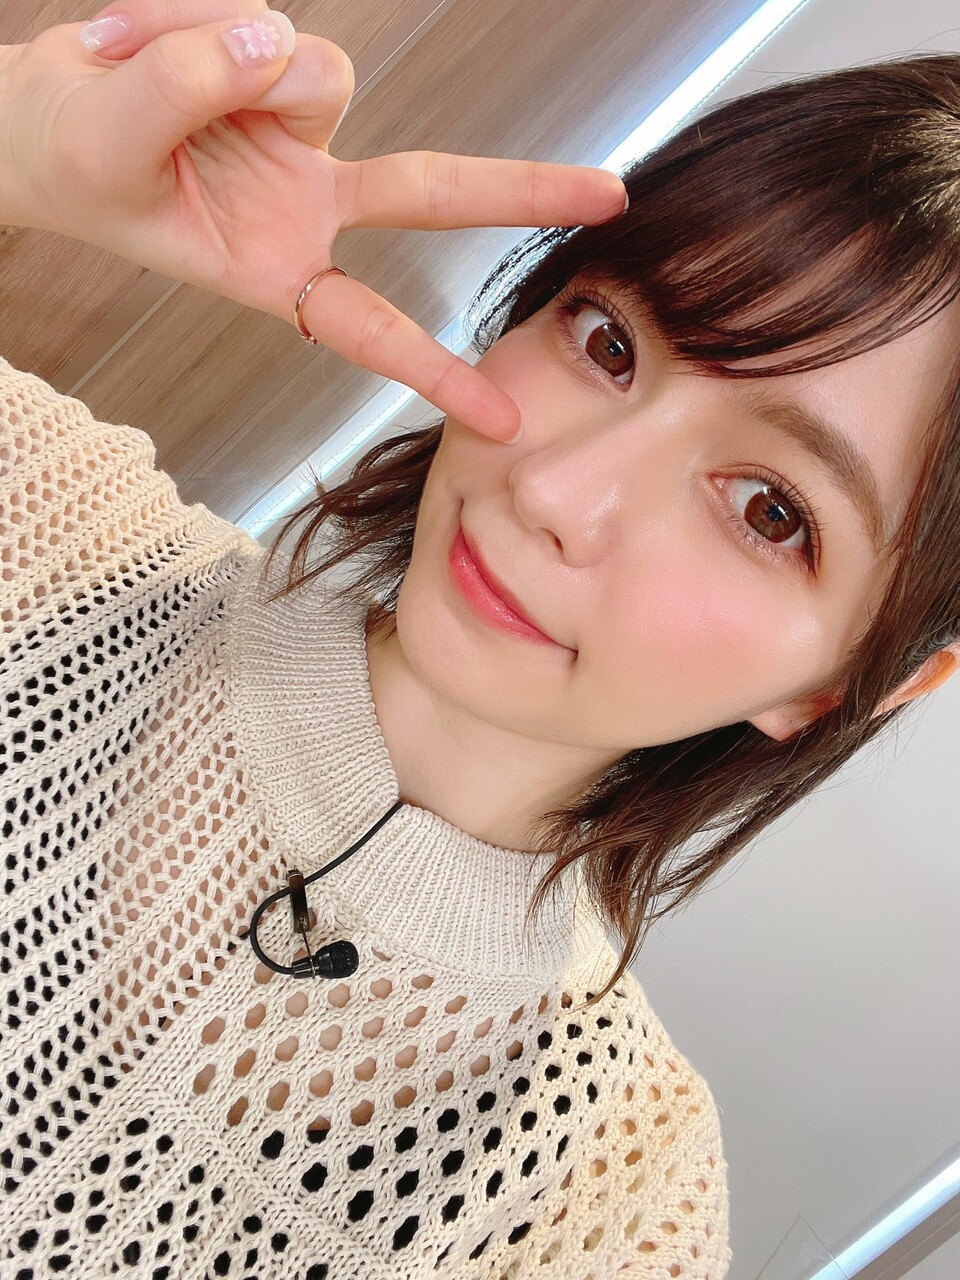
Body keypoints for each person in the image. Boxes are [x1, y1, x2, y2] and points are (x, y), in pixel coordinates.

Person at [2, 4, 959, 1277]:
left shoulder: (621, 1209)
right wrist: (14, 147)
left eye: (770, 510)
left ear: (854, 683)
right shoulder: (33, 516)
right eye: (608, 342)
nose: (555, 491)